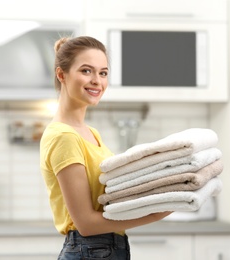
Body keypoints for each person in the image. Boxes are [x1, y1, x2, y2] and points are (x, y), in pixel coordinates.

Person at [40, 36, 172, 260]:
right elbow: (86, 224)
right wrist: (155, 214)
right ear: (61, 74)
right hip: (89, 250)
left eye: (103, 73)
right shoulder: (64, 137)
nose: (97, 81)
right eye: (86, 71)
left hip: (106, 249)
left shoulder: (91, 133)